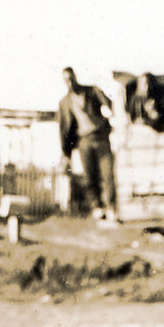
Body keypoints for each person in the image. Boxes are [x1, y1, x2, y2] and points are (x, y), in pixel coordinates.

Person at [58, 66, 116, 222]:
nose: (70, 83)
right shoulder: (64, 103)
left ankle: (110, 207)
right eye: (66, 80)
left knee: (107, 174)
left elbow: (106, 101)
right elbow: (64, 129)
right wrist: (66, 153)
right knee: (90, 176)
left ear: (75, 78)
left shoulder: (91, 91)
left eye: (71, 79)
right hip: (84, 140)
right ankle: (97, 207)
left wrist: (106, 108)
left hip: (101, 136)